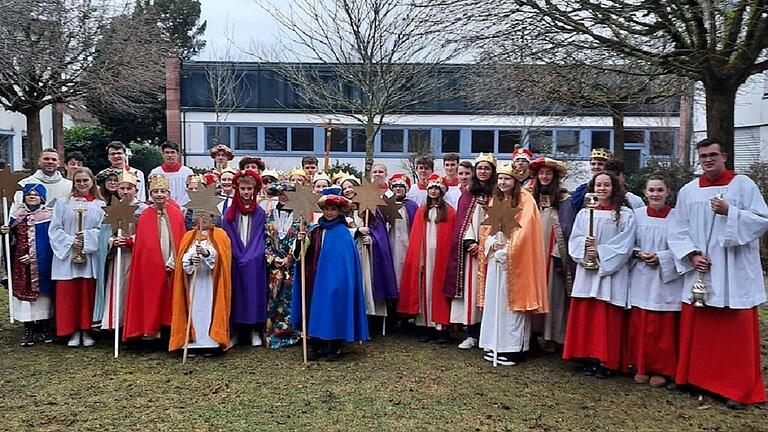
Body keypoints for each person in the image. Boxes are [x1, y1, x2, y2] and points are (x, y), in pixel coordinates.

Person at [668, 138, 768, 409]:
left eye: (713, 155)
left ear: (724, 156)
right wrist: (692, 254)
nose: (708, 160)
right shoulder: (689, 190)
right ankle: (696, 378)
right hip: (701, 270)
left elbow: (761, 220)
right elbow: (677, 228)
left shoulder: (743, 185)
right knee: (701, 328)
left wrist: (730, 212)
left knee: (734, 330)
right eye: (703, 156)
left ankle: (737, 388)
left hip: (734, 270)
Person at [563, 171, 636, 378]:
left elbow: (625, 244)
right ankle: (586, 356)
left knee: (606, 318)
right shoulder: (585, 214)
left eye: (606, 185)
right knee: (587, 314)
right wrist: (584, 250)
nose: (602, 189)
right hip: (587, 272)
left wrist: (601, 253)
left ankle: (607, 361)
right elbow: (575, 238)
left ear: (614, 188)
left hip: (609, 274)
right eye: (598, 185)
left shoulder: (624, 215)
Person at [477, 164, 548, 365]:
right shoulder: (496, 198)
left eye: (507, 179)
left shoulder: (525, 200)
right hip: (495, 260)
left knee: (512, 306)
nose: (502, 182)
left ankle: (513, 348)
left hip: (516, 262)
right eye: (500, 179)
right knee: (495, 303)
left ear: (515, 181)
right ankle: (494, 343)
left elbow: (526, 231)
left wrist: (507, 249)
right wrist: (491, 243)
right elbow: (487, 228)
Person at [293, 186, 369, 360]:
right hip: (314, 278)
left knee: (334, 309)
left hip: (335, 282)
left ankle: (334, 345)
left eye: (333, 209)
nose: (329, 212)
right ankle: (316, 345)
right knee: (314, 309)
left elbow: (346, 261)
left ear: (339, 211)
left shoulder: (343, 233)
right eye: (326, 209)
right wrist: (300, 242)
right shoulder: (314, 230)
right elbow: (301, 255)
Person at [624, 174, 684, 388]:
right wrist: (639, 253)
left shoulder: (678, 217)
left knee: (663, 327)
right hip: (642, 275)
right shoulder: (636, 215)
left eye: (660, 190)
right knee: (641, 323)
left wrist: (662, 257)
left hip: (666, 278)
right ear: (645, 193)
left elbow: (684, 245)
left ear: (668, 192)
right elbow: (626, 243)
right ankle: (641, 365)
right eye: (651, 190)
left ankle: (663, 369)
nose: (655, 194)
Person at [122, 174, 185, 347]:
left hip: (171, 261)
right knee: (151, 297)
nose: (159, 195)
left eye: (162, 191)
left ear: (168, 193)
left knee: (170, 298)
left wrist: (173, 260)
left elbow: (180, 240)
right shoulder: (144, 216)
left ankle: (169, 331)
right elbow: (143, 244)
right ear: (150, 193)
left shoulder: (176, 214)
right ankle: (150, 332)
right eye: (155, 191)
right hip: (150, 266)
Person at [444, 153, 496, 350]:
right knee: (472, 293)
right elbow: (462, 222)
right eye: (480, 168)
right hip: (473, 252)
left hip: (492, 251)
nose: (483, 171)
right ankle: (472, 333)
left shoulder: (498, 193)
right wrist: (471, 242)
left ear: (492, 172)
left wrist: (487, 244)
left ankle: (489, 334)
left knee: (491, 292)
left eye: (487, 168)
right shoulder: (468, 193)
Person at [48, 167, 106, 347]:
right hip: (66, 256)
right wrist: (72, 241)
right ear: (73, 182)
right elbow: (55, 228)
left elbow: (102, 230)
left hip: (89, 257)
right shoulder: (62, 203)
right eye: (78, 181)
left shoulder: (100, 205)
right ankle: (72, 331)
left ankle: (86, 330)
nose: (82, 184)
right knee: (69, 294)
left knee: (86, 293)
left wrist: (87, 239)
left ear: (92, 182)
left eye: (85, 180)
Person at [397, 174, 455, 342]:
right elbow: (416, 236)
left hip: (440, 258)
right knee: (423, 287)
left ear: (442, 191)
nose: (433, 191)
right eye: (431, 188)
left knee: (438, 288)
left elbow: (450, 237)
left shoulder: (450, 212)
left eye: (437, 188)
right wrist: (418, 257)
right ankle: (424, 325)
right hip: (424, 256)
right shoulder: (422, 210)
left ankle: (441, 327)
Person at [529, 157, 576, 353]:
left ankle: (552, 337)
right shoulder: (530, 197)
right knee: (534, 293)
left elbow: (567, 228)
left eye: (548, 173)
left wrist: (559, 256)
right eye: (541, 173)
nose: (545, 176)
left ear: (554, 176)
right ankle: (532, 333)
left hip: (553, 254)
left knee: (553, 295)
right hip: (533, 253)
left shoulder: (564, 199)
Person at [169, 213, 233, 356]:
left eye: (206, 217)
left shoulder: (220, 235)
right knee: (194, 310)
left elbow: (223, 258)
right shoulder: (189, 236)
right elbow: (183, 259)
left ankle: (211, 342)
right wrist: (191, 261)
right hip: (194, 283)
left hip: (210, 283)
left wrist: (206, 254)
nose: (203, 221)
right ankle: (191, 342)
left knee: (209, 309)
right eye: (199, 217)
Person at [341, 176, 398, 329]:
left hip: (366, 252)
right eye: (344, 188)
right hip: (348, 251)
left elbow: (380, 232)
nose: (347, 190)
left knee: (366, 281)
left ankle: (369, 319)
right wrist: (354, 230)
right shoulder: (340, 210)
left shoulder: (369, 208)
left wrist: (372, 238)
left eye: (350, 186)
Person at [1, 184, 54, 346]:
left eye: (36, 194)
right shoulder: (17, 216)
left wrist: (33, 257)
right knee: (25, 296)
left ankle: (43, 327)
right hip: (21, 263)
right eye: (29, 194)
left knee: (43, 296)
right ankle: (29, 328)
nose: (32, 197)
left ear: (42, 198)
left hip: (42, 262)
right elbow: (10, 242)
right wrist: (6, 232)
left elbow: (49, 241)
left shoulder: (48, 216)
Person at [222, 170, 268, 347]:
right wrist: (236, 254)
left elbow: (260, 237)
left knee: (254, 294)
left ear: (255, 190)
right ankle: (236, 332)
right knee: (235, 295)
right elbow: (227, 236)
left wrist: (252, 256)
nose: (246, 192)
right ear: (237, 189)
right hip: (234, 259)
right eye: (243, 188)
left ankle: (254, 330)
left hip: (254, 261)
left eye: (249, 188)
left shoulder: (260, 213)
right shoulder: (229, 213)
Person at [98, 171, 147, 332]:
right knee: (118, 288)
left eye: (129, 188)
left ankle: (134, 326)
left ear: (136, 189)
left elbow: (148, 235)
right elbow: (104, 233)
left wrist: (130, 240)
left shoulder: (143, 209)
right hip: (118, 256)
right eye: (122, 188)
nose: (125, 192)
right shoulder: (111, 208)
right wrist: (112, 241)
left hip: (135, 256)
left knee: (134, 290)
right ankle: (116, 324)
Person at [263, 183, 302, 349]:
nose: (284, 196)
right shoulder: (269, 216)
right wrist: (272, 258)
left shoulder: (300, 216)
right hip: (274, 268)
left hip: (292, 268)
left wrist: (290, 258)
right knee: (272, 299)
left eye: (288, 193)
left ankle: (289, 331)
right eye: (281, 193)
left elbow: (303, 242)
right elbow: (263, 240)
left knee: (289, 299)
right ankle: (270, 330)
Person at [387, 174, 419, 287]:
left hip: (407, 243)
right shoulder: (386, 205)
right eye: (395, 186)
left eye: (401, 186)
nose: (398, 189)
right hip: (391, 242)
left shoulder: (412, 206)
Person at [149, 141, 194, 207]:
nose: (170, 155)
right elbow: (152, 194)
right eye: (167, 153)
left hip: (184, 209)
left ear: (178, 154)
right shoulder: (155, 172)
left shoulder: (187, 172)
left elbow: (191, 194)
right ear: (163, 154)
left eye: (172, 152)